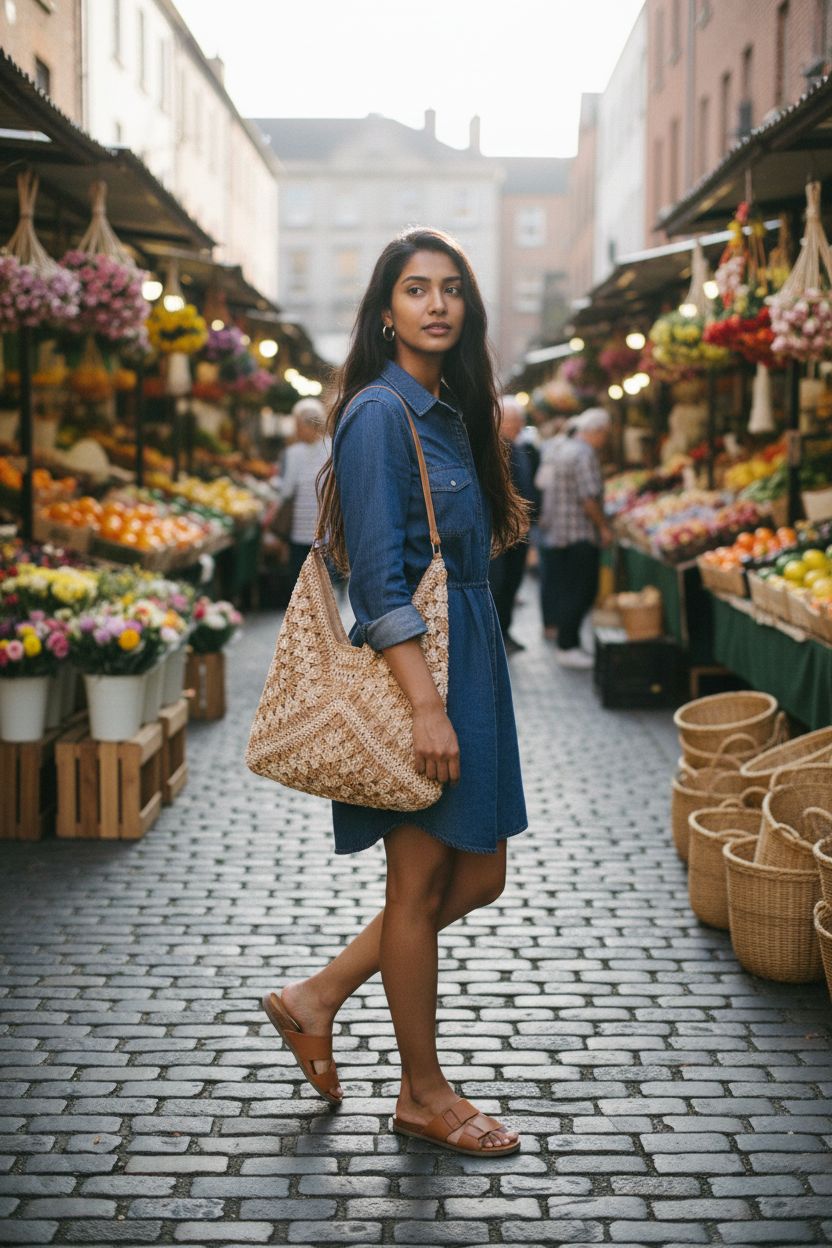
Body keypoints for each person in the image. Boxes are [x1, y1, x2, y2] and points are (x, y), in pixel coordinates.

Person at [262, 227, 529, 1157]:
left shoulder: (450, 409)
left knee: (480, 875)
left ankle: (317, 995)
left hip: (471, 659)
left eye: (452, 288)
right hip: (424, 670)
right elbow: (378, 583)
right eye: (417, 289)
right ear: (386, 311)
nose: (438, 304)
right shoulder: (380, 413)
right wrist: (424, 704)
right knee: (416, 886)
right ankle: (421, 1092)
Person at [536, 406, 612, 669]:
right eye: (605, 434)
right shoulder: (584, 453)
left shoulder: (560, 449)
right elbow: (588, 498)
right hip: (579, 535)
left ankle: (568, 643)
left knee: (566, 589)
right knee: (581, 591)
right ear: (596, 431)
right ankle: (568, 645)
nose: (606, 441)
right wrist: (603, 527)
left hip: (557, 534)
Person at [488, 396, 537, 654]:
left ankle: (505, 632)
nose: (519, 426)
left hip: (519, 530)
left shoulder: (517, 446)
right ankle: (497, 637)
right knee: (499, 582)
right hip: (502, 531)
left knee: (512, 582)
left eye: (520, 421)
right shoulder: (495, 448)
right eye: (513, 421)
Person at [275, 397, 330, 585]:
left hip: (301, 531)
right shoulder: (332, 447)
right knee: (324, 584)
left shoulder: (294, 453)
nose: (296, 430)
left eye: (298, 425)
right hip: (327, 530)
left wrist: (275, 488)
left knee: (302, 583)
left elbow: (286, 490)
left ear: (309, 425)